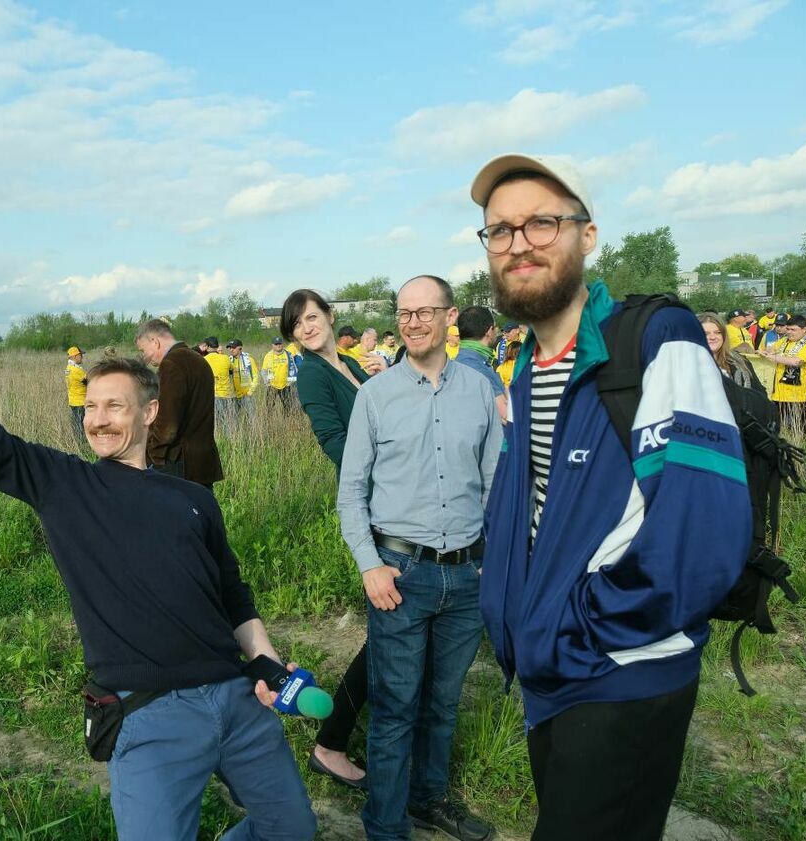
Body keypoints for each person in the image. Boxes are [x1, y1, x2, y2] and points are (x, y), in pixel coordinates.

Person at [0, 271, 317, 841]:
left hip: (237, 698)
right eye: (92, 407)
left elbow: (233, 598)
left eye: (114, 406)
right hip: (148, 713)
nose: (97, 419)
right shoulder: (65, 486)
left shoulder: (194, 499)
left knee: (291, 828)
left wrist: (266, 662)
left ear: (149, 413)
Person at [469, 154, 750, 841]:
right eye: (499, 230)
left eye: (541, 222)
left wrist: (584, 623)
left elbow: (700, 535)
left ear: (586, 236)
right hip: (549, 670)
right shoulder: (527, 369)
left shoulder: (654, 342)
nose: (518, 243)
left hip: (623, 672)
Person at [339, 275, 501, 841]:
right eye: (403, 313)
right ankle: (386, 827)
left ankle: (428, 800)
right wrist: (368, 563)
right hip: (399, 575)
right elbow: (351, 490)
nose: (412, 322)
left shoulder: (480, 391)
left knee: (443, 704)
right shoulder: (374, 397)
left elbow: (494, 484)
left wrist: (492, 564)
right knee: (394, 708)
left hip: (467, 576)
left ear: (449, 317)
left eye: (424, 311)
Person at [282, 288, 371, 791]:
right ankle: (330, 744)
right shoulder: (313, 374)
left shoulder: (352, 365)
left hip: (393, 500)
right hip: (371, 501)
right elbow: (335, 443)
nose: (307, 328)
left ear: (330, 317)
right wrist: (391, 477)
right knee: (388, 632)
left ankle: (344, 738)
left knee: (396, 630)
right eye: (297, 324)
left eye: (312, 317)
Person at [135, 319, 223, 488]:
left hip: (178, 462)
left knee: (174, 513)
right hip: (201, 461)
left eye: (143, 350)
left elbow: (166, 423)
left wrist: (153, 456)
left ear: (155, 341)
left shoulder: (172, 364)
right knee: (201, 511)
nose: (145, 357)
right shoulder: (197, 359)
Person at [759, 314, 806, 434]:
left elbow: (796, 361)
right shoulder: (784, 340)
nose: (789, 332)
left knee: (800, 431)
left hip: (798, 396)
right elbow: (770, 349)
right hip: (778, 394)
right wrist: (762, 352)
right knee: (778, 429)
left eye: (793, 330)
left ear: (804, 329)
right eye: (788, 329)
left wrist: (772, 357)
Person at [454, 306, 508, 421]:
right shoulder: (475, 367)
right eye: (495, 328)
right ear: (489, 331)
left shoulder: (460, 361)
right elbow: (505, 413)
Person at [698, 312, 763, 393]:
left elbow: (760, 394)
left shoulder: (741, 361)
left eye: (718, 332)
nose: (713, 337)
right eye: (706, 333)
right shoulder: (686, 365)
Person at [203, 337, 237, 432]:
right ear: (217, 346)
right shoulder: (225, 358)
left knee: (214, 423)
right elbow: (232, 369)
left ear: (208, 347)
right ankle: (231, 441)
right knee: (228, 422)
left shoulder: (204, 360)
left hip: (212, 395)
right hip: (227, 394)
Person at [262, 337, 300, 410]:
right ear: (272, 345)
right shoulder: (268, 356)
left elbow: (294, 369)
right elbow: (264, 371)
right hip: (272, 386)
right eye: (276, 344)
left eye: (280, 344)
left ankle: (287, 420)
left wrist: (290, 383)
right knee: (269, 408)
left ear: (282, 344)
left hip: (286, 386)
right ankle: (269, 421)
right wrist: (267, 383)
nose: (278, 346)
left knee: (288, 407)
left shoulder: (289, 355)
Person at [227, 339, 259, 422]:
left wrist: (250, 391)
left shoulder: (249, 359)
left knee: (252, 418)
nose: (231, 350)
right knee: (234, 419)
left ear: (240, 348)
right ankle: (236, 434)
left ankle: (253, 434)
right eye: (229, 348)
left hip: (247, 394)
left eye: (233, 348)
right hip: (234, 395)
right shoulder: (228, 360)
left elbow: (256, 376)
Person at [66, 346, 88, 442]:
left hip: (73, 401)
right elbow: (88, 381)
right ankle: (82, 446)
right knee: (81, 427)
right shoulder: (77, 370)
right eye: (80, 355)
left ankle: (79, 444)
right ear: (75, 356)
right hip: (80, 402)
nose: (82, 357)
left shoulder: (68, 368)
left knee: (77, 424)